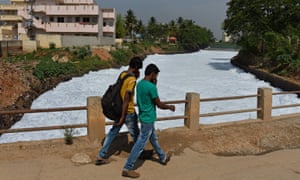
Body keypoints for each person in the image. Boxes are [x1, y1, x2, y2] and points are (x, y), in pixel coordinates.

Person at [122, 64, 175, 178]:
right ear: (152, 74)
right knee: (140, 143)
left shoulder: (140, 84)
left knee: (153, 138)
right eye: (156, 75)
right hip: (148, 118)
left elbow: (146, 97)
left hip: (143, 116)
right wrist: (170, 107)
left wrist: (154, 84)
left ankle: (162, 157)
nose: (156, 77)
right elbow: (159, 104)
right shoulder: (151, 87)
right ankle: (127, 167)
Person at [95, 57, 143, 165]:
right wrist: (123, 116)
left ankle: (101, 155)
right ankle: (138, 155)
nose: (139, 70)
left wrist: (120, 115)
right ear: (135, 67)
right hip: (127, 111)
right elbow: (126, 98)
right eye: (139, 68)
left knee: (112, 133)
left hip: (118, 108)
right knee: (136, 134)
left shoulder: (123, 74)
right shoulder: (132, 80)